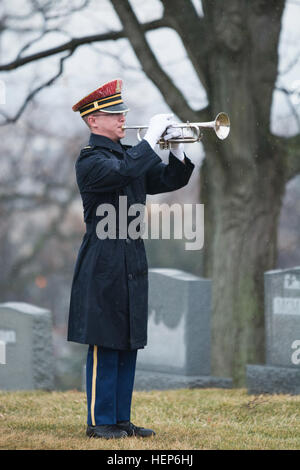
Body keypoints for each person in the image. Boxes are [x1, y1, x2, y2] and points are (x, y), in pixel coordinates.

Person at [68, 79, 195, 439]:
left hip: (131, 257)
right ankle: (100, 421)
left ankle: (120, 418)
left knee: (127, 340)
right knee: (105, 341)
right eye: (114, 113)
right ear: (94, 121)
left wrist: (179, 148)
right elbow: (124, 173)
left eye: (123, 112)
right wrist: (150, 141)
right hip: (103, 260)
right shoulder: (91, 160)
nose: (123, 117)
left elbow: (168, 179)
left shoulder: (127, 156)